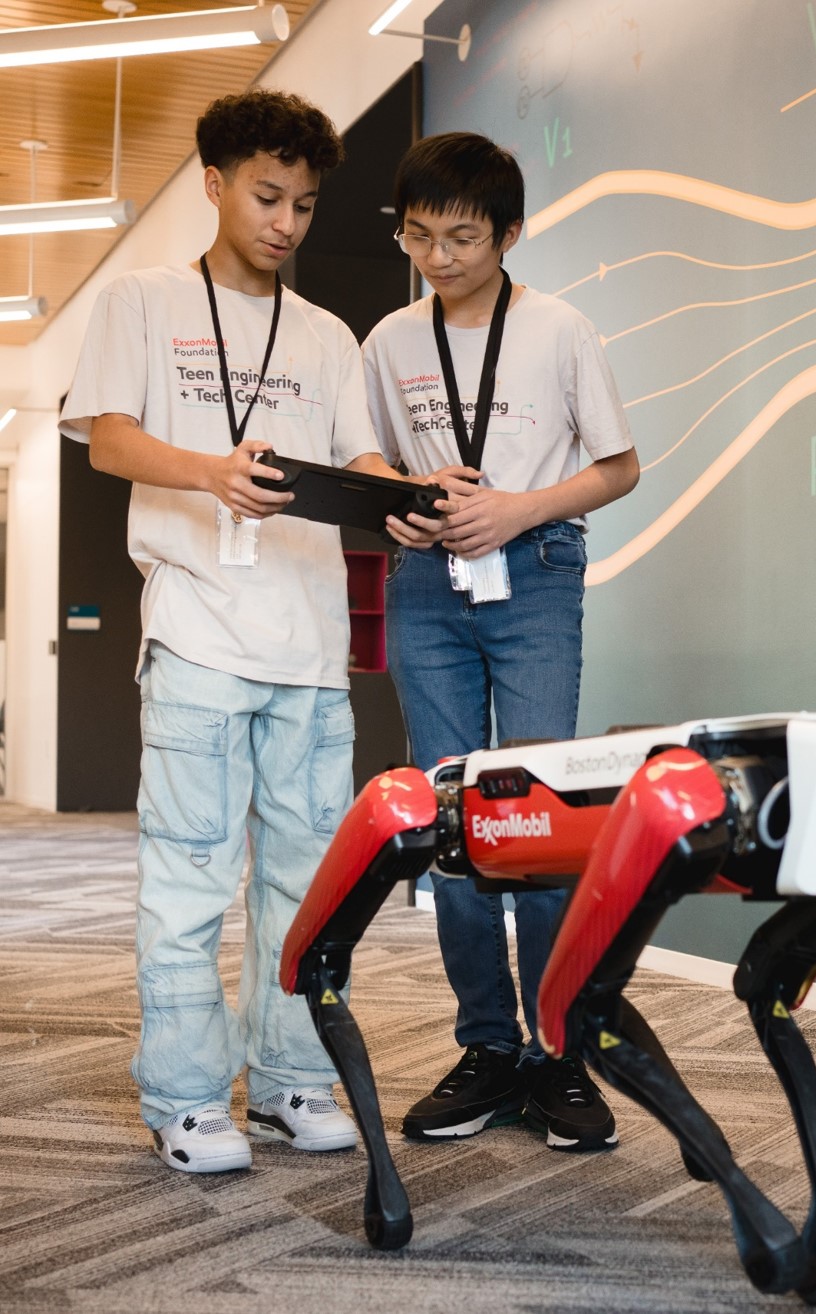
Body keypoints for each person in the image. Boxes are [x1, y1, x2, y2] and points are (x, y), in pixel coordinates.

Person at [60, 89, 413, 1174]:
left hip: (309, 650)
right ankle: (183, 1097)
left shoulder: (326, 334)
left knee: (306, 882)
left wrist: (404, 489)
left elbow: (358, 459)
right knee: (189, 877)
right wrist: (211, 471)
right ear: (213, 184)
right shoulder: (141, 300)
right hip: (199, 635)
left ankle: (292, 1080)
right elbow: (109, 440)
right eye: (267, 197)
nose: (287, 223)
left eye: (305, 205)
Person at [362, 132, 640, 1152]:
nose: (437, 257)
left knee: (535, 821)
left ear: (509, 235)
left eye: (462, 238)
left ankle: (559, 1052)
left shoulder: (559, 328)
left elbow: (617, 466)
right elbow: (373, 460)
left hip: (535, 575)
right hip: (428, 583)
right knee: (450, 820)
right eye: (418, 235)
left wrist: (517, 512)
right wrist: (396, 505)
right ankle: (487, 1046)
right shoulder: (389, 340)